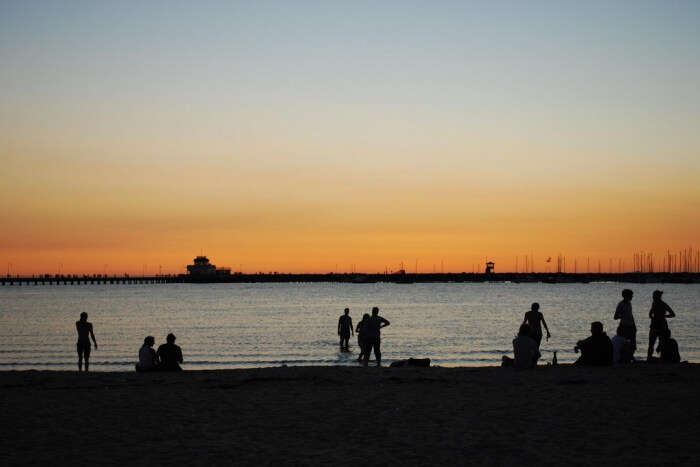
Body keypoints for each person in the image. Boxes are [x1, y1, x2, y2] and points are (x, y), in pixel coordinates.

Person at [647, 290, 675, 361]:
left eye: (654, 296)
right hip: (656, 326)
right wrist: (653, 316)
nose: (653, 297)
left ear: (658, 297)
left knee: (661, 344)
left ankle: (661, 358)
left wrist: (664, 316)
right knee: (652, 343)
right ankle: (649, 358)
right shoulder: (654, 303)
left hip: (662, 326)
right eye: (653, 296)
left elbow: (673, 314)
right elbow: (650, 313)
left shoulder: (663, 304)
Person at [614, 289, 636, 357]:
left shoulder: (629, 303)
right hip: (623, 326)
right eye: (631, 295)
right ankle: (622, 357)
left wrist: (634, 325)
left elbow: (630, 315)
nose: (632, 297)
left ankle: (631, 356)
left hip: (631, 326)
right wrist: (623, 315)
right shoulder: (621, 304)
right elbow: (615, 317)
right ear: (626, 296)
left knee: (632, 343)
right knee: (622, 342)